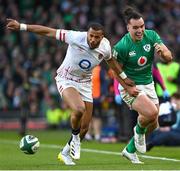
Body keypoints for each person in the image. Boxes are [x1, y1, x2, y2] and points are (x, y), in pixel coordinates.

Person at [6, 19, 136, 165]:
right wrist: (22, 26)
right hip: (66, 79)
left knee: (85, 127)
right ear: (87, 33)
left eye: (96, 37)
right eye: (91, 35)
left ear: (102, 36)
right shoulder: (75, 37)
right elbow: (48, 31)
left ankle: (64, 153)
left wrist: (125, 79)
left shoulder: (105, 47)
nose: (92, 39)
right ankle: (75, 139)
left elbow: (112, 62)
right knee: (79, 109)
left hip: (85, 83)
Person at [112, 6, 173, 164]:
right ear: (128, 28)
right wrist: (127, 88)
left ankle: (130, 150)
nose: (140, 30)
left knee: (154, 124)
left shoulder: (151, 36)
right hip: (130, 86)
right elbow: (115, 71)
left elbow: (169, 57)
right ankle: (138, 132)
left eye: (142, 26)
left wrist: (163, 54)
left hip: (148, 84)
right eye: (136, 28)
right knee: (152, 113)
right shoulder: (122, 46)